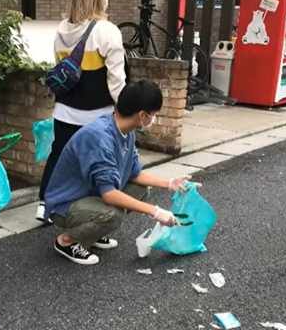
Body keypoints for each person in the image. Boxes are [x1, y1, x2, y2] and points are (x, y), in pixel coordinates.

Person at [44, 80, 199, 265]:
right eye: (154, 114)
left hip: (88, 194)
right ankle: (66, 241)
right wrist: (156, 212)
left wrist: (170, 183)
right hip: (65, 204)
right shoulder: (100, 138)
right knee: (113, 214)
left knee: (140, 190)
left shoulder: (126, 131)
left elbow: (134, 173)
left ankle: (92, 234)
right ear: (142, 115)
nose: (154, 118)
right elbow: (109, 194)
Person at [36, 0, 129, 226]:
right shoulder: (107, 31)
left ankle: (45, 203)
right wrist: (126, 110)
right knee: (96, 165)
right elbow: (116, 81)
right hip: (97, 115)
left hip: (64, 110)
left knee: (60, 156)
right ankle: (87, 215)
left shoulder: (62, 29)